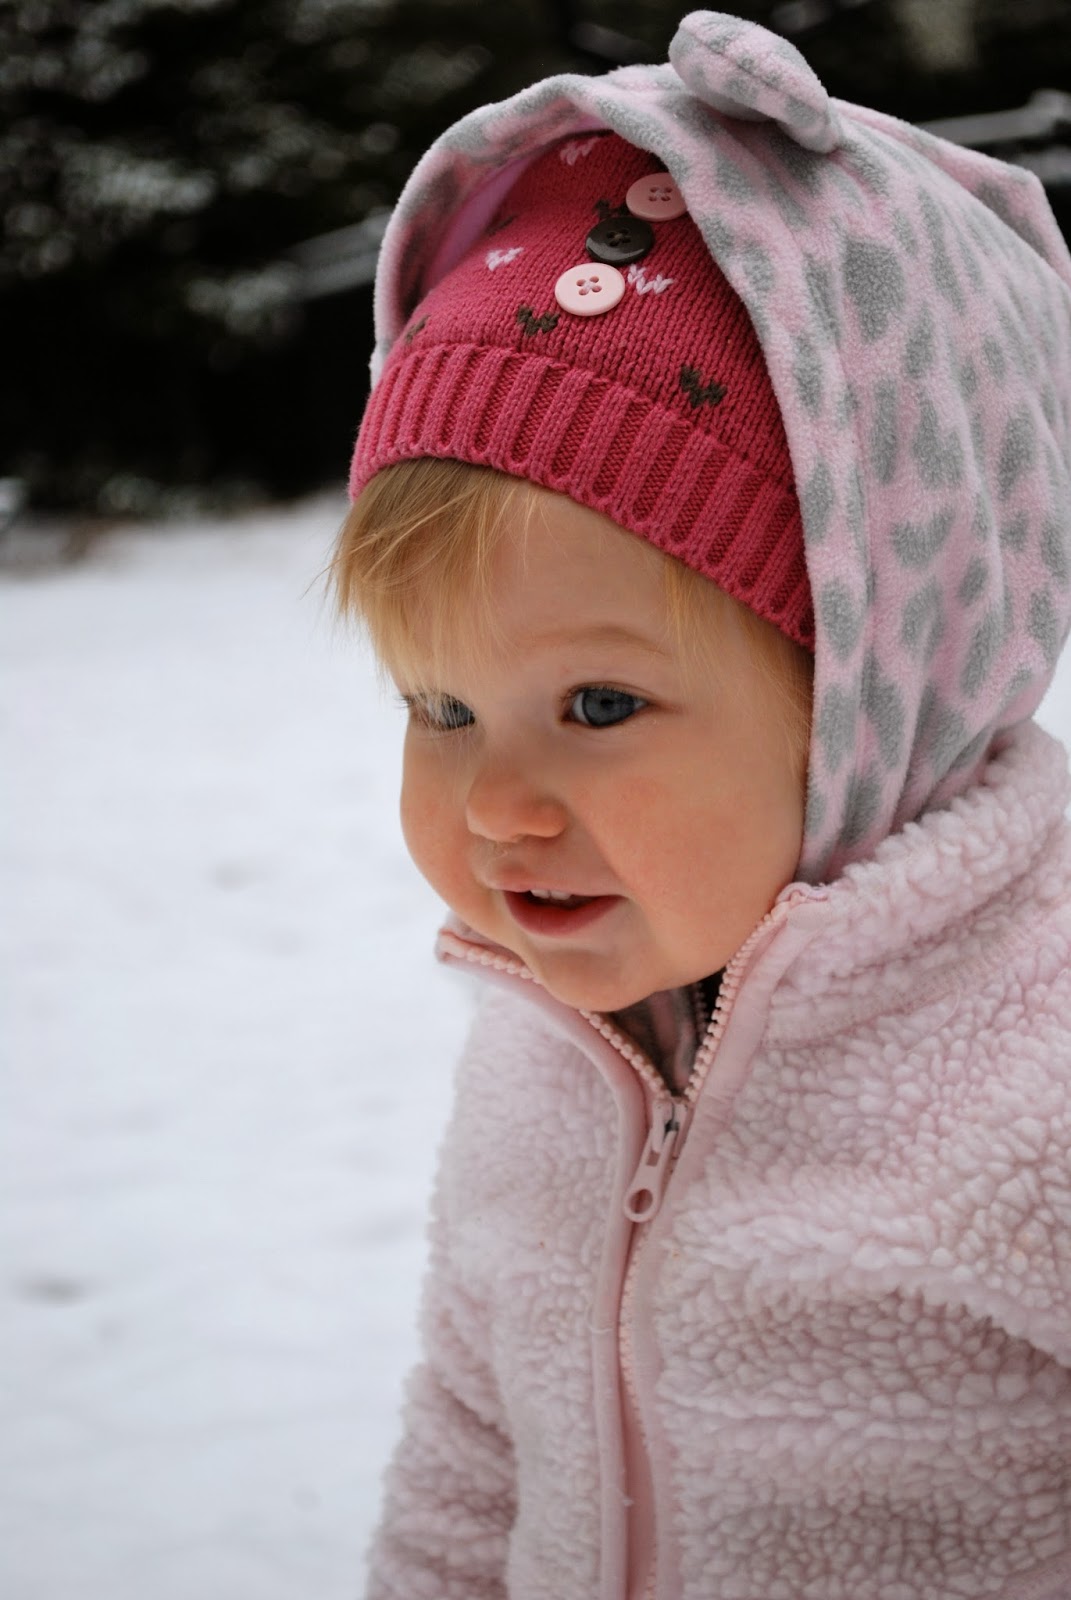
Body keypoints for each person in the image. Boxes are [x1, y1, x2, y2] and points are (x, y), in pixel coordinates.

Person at [332, 11, 1071, 1597]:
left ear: (878, 688)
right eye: (439, 708)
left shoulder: (1041, 1076)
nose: (499, 807)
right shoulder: (555, 1047)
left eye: (599, 707)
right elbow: (471, 1452)